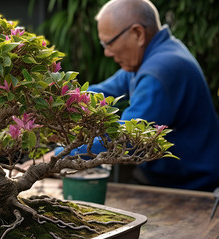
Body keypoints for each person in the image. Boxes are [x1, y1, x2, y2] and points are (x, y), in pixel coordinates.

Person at [83, 0, 219, 191]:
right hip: (165, 178)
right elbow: (103, 91)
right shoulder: (149, 56)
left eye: (109, 43)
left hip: (190, 187)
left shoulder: (161, 70)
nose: (106, 52)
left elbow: (125, 139)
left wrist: (56, 156)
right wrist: (60, 102)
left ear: (137, 34)